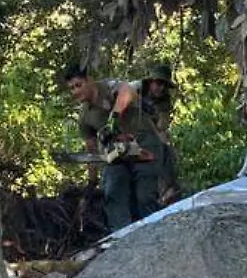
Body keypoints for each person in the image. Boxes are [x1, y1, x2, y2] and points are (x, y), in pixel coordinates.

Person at [61, 65, 164, 230]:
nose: (75, 91)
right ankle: (121, 237)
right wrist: (91, 182)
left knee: (145, 197)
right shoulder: (85, 117)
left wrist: (114, 117)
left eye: (78, 85)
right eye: (71, 88)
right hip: (117, 155)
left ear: (89, 81)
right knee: (114, 194)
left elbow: (128, 91)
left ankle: (156, 235)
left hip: (144, 143)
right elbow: (92, 151)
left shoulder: (108, 86)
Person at [141, 64, 181, 203]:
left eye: (164, 85)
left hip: (150, 134)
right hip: (129, 130)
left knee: (165, 148)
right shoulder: (136, 90)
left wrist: (161, 136)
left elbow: (162, 124)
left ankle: (168, 189)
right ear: (151, 82)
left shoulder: (164, 99)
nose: (161, 88)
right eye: (158, 83)